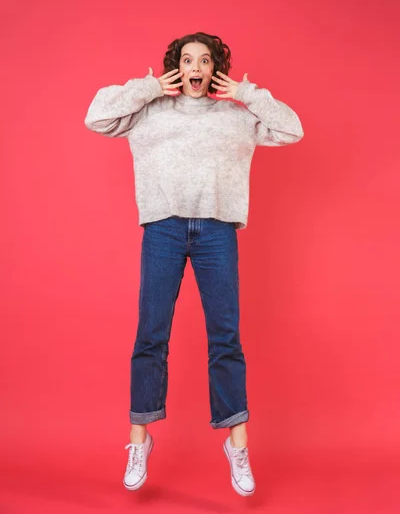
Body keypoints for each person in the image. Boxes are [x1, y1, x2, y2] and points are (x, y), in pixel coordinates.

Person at [84, 31, 304, 497]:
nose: (196, 68)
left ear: (215, 67)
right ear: (177, 68)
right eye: (187, 60)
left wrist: (246, 93)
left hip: (217, 230)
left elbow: (291, 128)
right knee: (151, 335)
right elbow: (96, 116)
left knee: (226, 338)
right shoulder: (148, 112)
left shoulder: (234, 117)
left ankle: (237, 446)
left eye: (205, 60)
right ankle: (139, 441)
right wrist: (145, 88)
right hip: (162, 228)